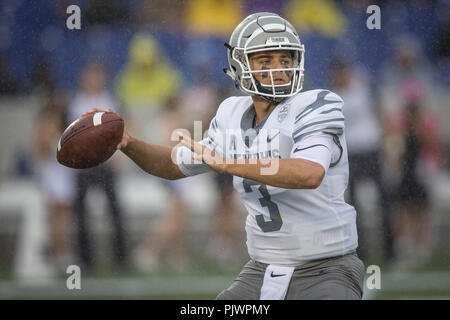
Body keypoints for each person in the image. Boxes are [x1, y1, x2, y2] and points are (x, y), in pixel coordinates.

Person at [84, 13, 364, 300]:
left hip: (327, 267)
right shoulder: (232, 113)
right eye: (265, 61)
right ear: (240, 65)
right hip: (263, 267)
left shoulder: (317, 105)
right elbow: (171, 164)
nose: (278, 69)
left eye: (285, 59)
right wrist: (128, 143)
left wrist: (228, 164)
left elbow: (309, 173)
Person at [330, 59, 394, 265]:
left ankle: (390, 251)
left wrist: (384, 139)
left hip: (370, 148)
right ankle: (361, 252)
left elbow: (378, 111)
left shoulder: (363, 88)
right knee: (353, 205)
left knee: (383, 200)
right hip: (351, 154)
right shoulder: (333, 96)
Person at [69, 62, 128, 274]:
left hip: (106, 163)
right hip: (84, 166)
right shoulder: (75, 102)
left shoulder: (110, 100)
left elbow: (121, 128)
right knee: (82, 215)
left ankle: (121, 260)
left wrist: (117, 152)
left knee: (115, 212)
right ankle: (86, 261)